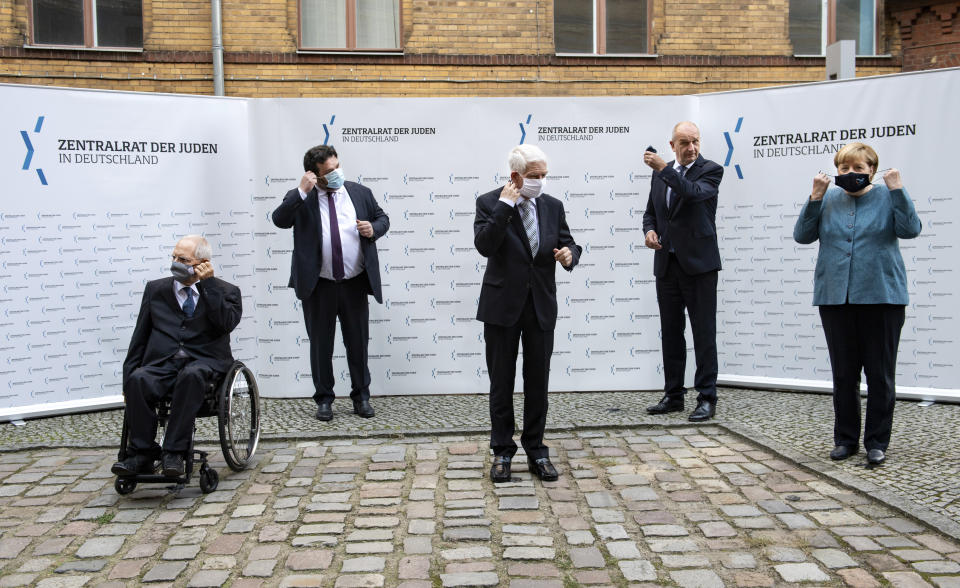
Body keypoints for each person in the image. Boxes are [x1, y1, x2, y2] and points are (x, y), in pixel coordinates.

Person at [793, 142, 921, 466]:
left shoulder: (887, 196)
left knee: (879, 375)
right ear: (836, 171)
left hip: (881, 297)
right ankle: (845, 440)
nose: (851, 174)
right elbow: (802, 236)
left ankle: (877, 442)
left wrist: (898, 191)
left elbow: (910, 229)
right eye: (844, 168)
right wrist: (814, 198)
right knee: (844, 375)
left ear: (872, 171)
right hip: (836, 298)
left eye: (859, 169)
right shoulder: (827, 198)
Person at [475, 144, 582, 483]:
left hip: (540, 306)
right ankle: (502, 452)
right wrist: (506, 205)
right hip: (501, 307)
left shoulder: (552, 206)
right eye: (534, 176)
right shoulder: (489, 202)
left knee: (538, 384)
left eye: (544, 176)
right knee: (501, 383)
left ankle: (536, 450)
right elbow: (485, 245)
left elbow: (570, 243)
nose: (540, 182)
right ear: (515, 176)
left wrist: (569, 255)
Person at [272, 145, 390, 421]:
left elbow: (382, 218)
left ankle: (361, 396)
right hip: (319, 285)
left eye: (338, 167)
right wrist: (301, 191)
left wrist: (374, 229)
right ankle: (324, 399)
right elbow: (280, 220)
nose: (337, 173)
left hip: (355, 283)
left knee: (358, 343)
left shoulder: (359, 192)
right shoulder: (302, 198)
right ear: (315, 175)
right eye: (329, 171)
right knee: (321, 345)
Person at [113, 235, 242, 478]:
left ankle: (173, 452)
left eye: (183, 259)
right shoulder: (156, 290)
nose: (175, 262)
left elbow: (226, 323)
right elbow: (139, 337)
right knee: (138, 380)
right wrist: (127, 377)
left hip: (204, 363)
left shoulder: (226, 291)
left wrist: (209, 285)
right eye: (174, 257)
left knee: (192, 375)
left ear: (202, 262)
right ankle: (141, 453)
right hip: (164, 363)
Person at [642, 121, 724, 422]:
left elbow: (690, 193)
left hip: (699, 266)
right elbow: (651, 211)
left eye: (696, 141)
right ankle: (673, 395)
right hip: (667, 264)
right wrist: (649, 231)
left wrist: (664, 168)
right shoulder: (661, 175)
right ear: (672, 144)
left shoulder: (711, 170)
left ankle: (706, 397)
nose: (691, 148)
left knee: (703, 333)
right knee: (671, 333)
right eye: (685, 142)